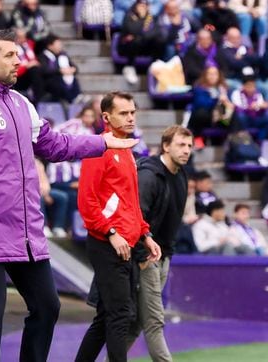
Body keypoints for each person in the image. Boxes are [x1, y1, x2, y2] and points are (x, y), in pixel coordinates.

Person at [0, 30, 137, 362]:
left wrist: (101, 143)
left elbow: (54, 145)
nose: (20, 61)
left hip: (24, 227)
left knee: (47, 306)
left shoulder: (21, 102)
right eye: (11, 55)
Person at [75, 91, 161, 362]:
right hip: (108, 243)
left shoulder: (125, 150)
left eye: (133, 112)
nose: (130, 118)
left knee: (106, 317)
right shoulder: (98, 149)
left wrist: (145, 233)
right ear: (106, 117)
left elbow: (129, 202)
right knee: (121, 314)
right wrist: (111, 233)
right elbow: (86, 202)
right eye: (124, 113)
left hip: (127, 242)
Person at [129, 125, 192, 361]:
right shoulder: (150, 175)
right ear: (166, 146)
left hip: (164, 255)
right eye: (181, 145)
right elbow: (136, 216)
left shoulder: (182, 174)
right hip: (147, 255)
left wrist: (168, 254)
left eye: (189, 146)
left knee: (137, 323)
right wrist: (143, 257)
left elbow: (173, 220)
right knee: (155, 320)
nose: (186, 151)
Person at [47, 105, 98, 224]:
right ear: (82, 115)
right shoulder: (74, 123)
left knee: (77, 195)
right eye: (86, 115)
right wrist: (62, 147)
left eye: (91, 116)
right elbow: (56, 131)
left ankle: (71, 226)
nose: (88, 119)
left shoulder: (91, 131)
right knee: (71, 191)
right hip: (62, 162)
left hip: (75, 165)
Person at [118, 0, 167, 84]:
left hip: (145, 45)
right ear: (136, 5)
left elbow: (157, 31)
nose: (143, 7)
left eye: (145, 5)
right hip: (128, 48)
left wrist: (142, 36)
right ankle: (129, 67)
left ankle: (154, 65)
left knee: (160, 40)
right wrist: (142, 19)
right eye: (140, 5)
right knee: (135, 41)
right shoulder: (129, 16)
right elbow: (132, 30)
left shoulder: (151, 17)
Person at [189, 66, 234, 143]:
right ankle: (197, 138)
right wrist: (217, 99)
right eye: (210, 74)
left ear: (219, 76)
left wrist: (227, 102)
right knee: (201, 113)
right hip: (206, 118)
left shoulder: (224, 89)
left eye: (215, 74)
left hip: (220, 119)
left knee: (234, 115)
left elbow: (231, 106)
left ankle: (234, 140)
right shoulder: (199, 88)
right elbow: (201, 103)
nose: (212, 76)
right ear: (205, 75)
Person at [230, 74, 268, 141]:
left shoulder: (258, 94)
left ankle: (260, 140)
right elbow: (237, 107)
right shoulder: (237, 93)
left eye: (253, 86)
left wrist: (263, 106)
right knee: (240, 116)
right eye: (249, 86)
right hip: (244, 118)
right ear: (244, 86)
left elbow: (260, 106)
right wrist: (249, 107)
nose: (251, 88)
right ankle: (245, 140)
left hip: (255, 118)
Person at [38, 34, 81, 103]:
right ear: (50, 46)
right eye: (57, 45)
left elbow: (74, 67)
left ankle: (76, 98)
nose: (60, 47)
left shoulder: (62, 55)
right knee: (57, 83)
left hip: (63, 78)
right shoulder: (43, 56)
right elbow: (44, 70)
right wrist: (59, 71)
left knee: (74, 80)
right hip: (50, 81)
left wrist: (73, 69)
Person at [36, 159, 69, 239]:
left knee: (62, 197)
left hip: (45, 191)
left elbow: (45, 180)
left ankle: (58, 227)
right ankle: (44, 226)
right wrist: (44, 194)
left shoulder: (38, 163)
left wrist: (46, 193)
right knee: (39, 198)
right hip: (34, 192)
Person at [13, 28, 45, 104]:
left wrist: (33, 63)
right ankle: (37, 98)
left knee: (39, 69)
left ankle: (39, 97)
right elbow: (13, 69)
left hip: (31, 74)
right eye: (20, 37)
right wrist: (27, 66)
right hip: (18, 77)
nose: (23, 39)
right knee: (34, 70)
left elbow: (34, 60)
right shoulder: (11, 49)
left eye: (24, 37)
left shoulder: (29, 44)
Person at [175, 178, 199, 254]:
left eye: (193, 188)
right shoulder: (176, 196)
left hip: (187, 223)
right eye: (189, 187)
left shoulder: (192, 197)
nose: (191, 190)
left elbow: (192, 213)